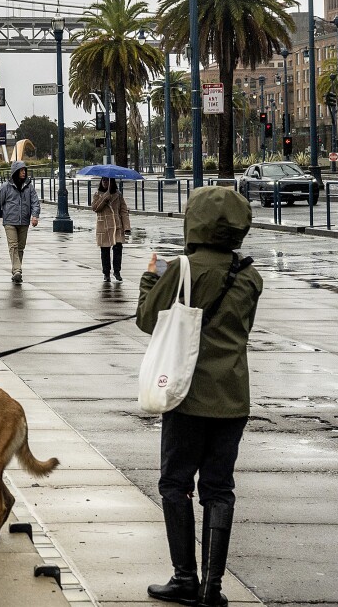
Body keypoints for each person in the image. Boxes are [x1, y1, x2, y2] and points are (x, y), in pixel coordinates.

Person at [136, 186, 262, 607]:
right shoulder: (250, 275)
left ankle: (184, 577)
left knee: (175, 483)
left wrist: (150, 278)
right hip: (232, 397)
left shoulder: (184, 268)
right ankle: (213, 587)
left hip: (187, 395)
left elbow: (147, 320)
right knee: (219, 488)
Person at [0, 160, 40, 283]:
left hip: (24, 222)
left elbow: (35, 202)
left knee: (21, 248)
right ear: (15, 172)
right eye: (21, 170)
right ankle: (18, 270)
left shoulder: (29, 187)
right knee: (13, 246)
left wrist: (35, 216)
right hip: (10, 222)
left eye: (24, 170)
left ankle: (16, 270)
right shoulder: (6, 187)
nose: (23, 173)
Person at [91, 178, 132, 283]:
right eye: (103, 180)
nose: (105, 182)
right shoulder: (97, 194)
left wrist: (126, 227)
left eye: (107, 180)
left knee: (118, 249)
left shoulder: (118, 195)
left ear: (112, 182)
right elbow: (95, 208)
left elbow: (123, 211)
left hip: (116, 226)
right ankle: (106, 273)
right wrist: (105, 197)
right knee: (105, 251)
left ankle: (117, 271)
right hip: (103, 226)